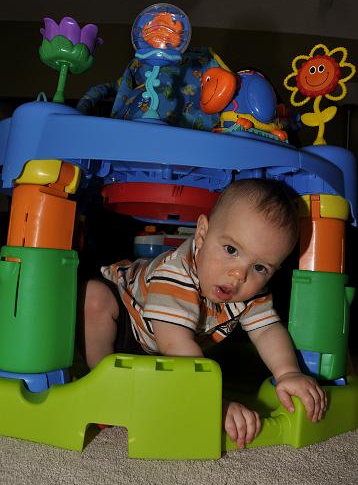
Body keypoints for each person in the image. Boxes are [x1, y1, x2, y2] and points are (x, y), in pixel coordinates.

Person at [79, 178, 327, 449]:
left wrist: (288, 372)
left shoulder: (250, 293)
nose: (239, 274)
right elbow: (175, 344)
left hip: (161, 345)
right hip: (127, 317)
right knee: (94, 299)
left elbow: (267, 330)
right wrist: (210, 402)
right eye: (231, 250)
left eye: (260, 268)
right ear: (201, 234)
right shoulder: (176, 274)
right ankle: (101, 379)